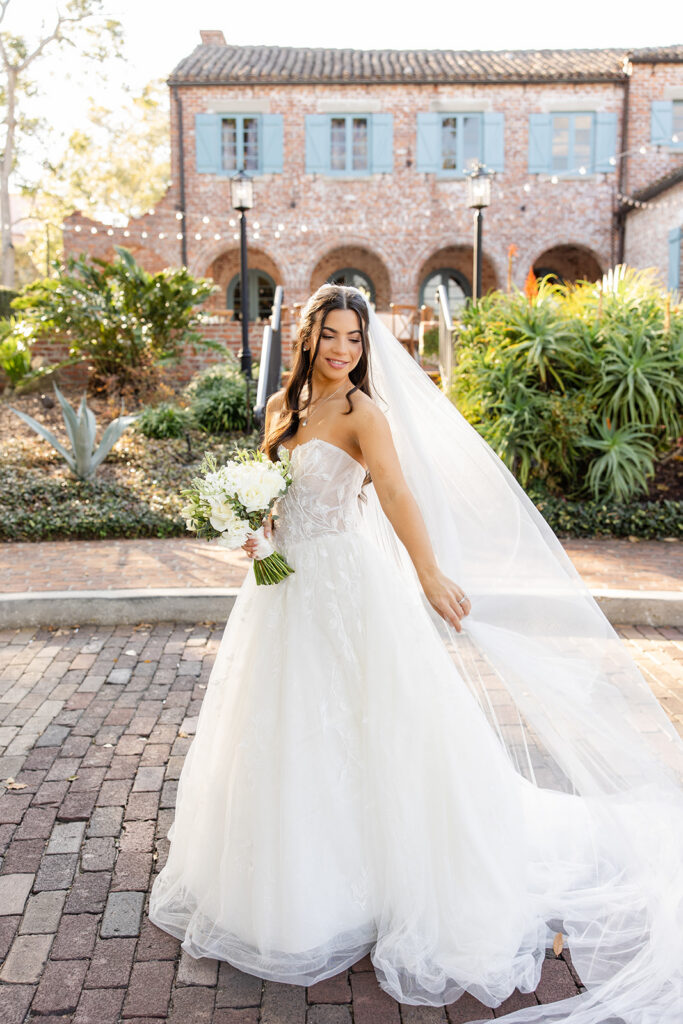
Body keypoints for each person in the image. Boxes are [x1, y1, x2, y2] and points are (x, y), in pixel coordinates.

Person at [149, 284, 683, 1024]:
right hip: (280, 593)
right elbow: (272, 497)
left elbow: (395, 494)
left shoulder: (364, 413)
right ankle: (293, 879)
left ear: (366, 348)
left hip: (343, 587)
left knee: (367, 723)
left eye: (354, 339)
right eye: (330, 336)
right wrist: (254, 530)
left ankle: (381, 878)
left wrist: (430, 573)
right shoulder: (279, 409)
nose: (341, 350)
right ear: (306, 337)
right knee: (286, 730)